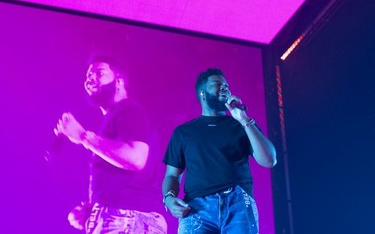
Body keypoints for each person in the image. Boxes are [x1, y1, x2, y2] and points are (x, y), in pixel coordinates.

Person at [55, 55, 167, 234]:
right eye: (88, 76)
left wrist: (83, 136)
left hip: (128, 221)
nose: (90, 79)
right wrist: (92, 212)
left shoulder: (129, 111)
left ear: (119, 81)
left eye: (99, 73)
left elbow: (136, 158)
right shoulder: (115, 118)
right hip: (122, 220)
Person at [162, 68, 277, 233]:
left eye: (226, 85)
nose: (225, 88)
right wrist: (169, 199)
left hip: (238, 203)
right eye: (217, 84)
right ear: (202, 93)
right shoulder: (184, 132)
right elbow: (172, 175)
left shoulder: (241, 125)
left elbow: (269, 160)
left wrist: (243, 118)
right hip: (196, 209)